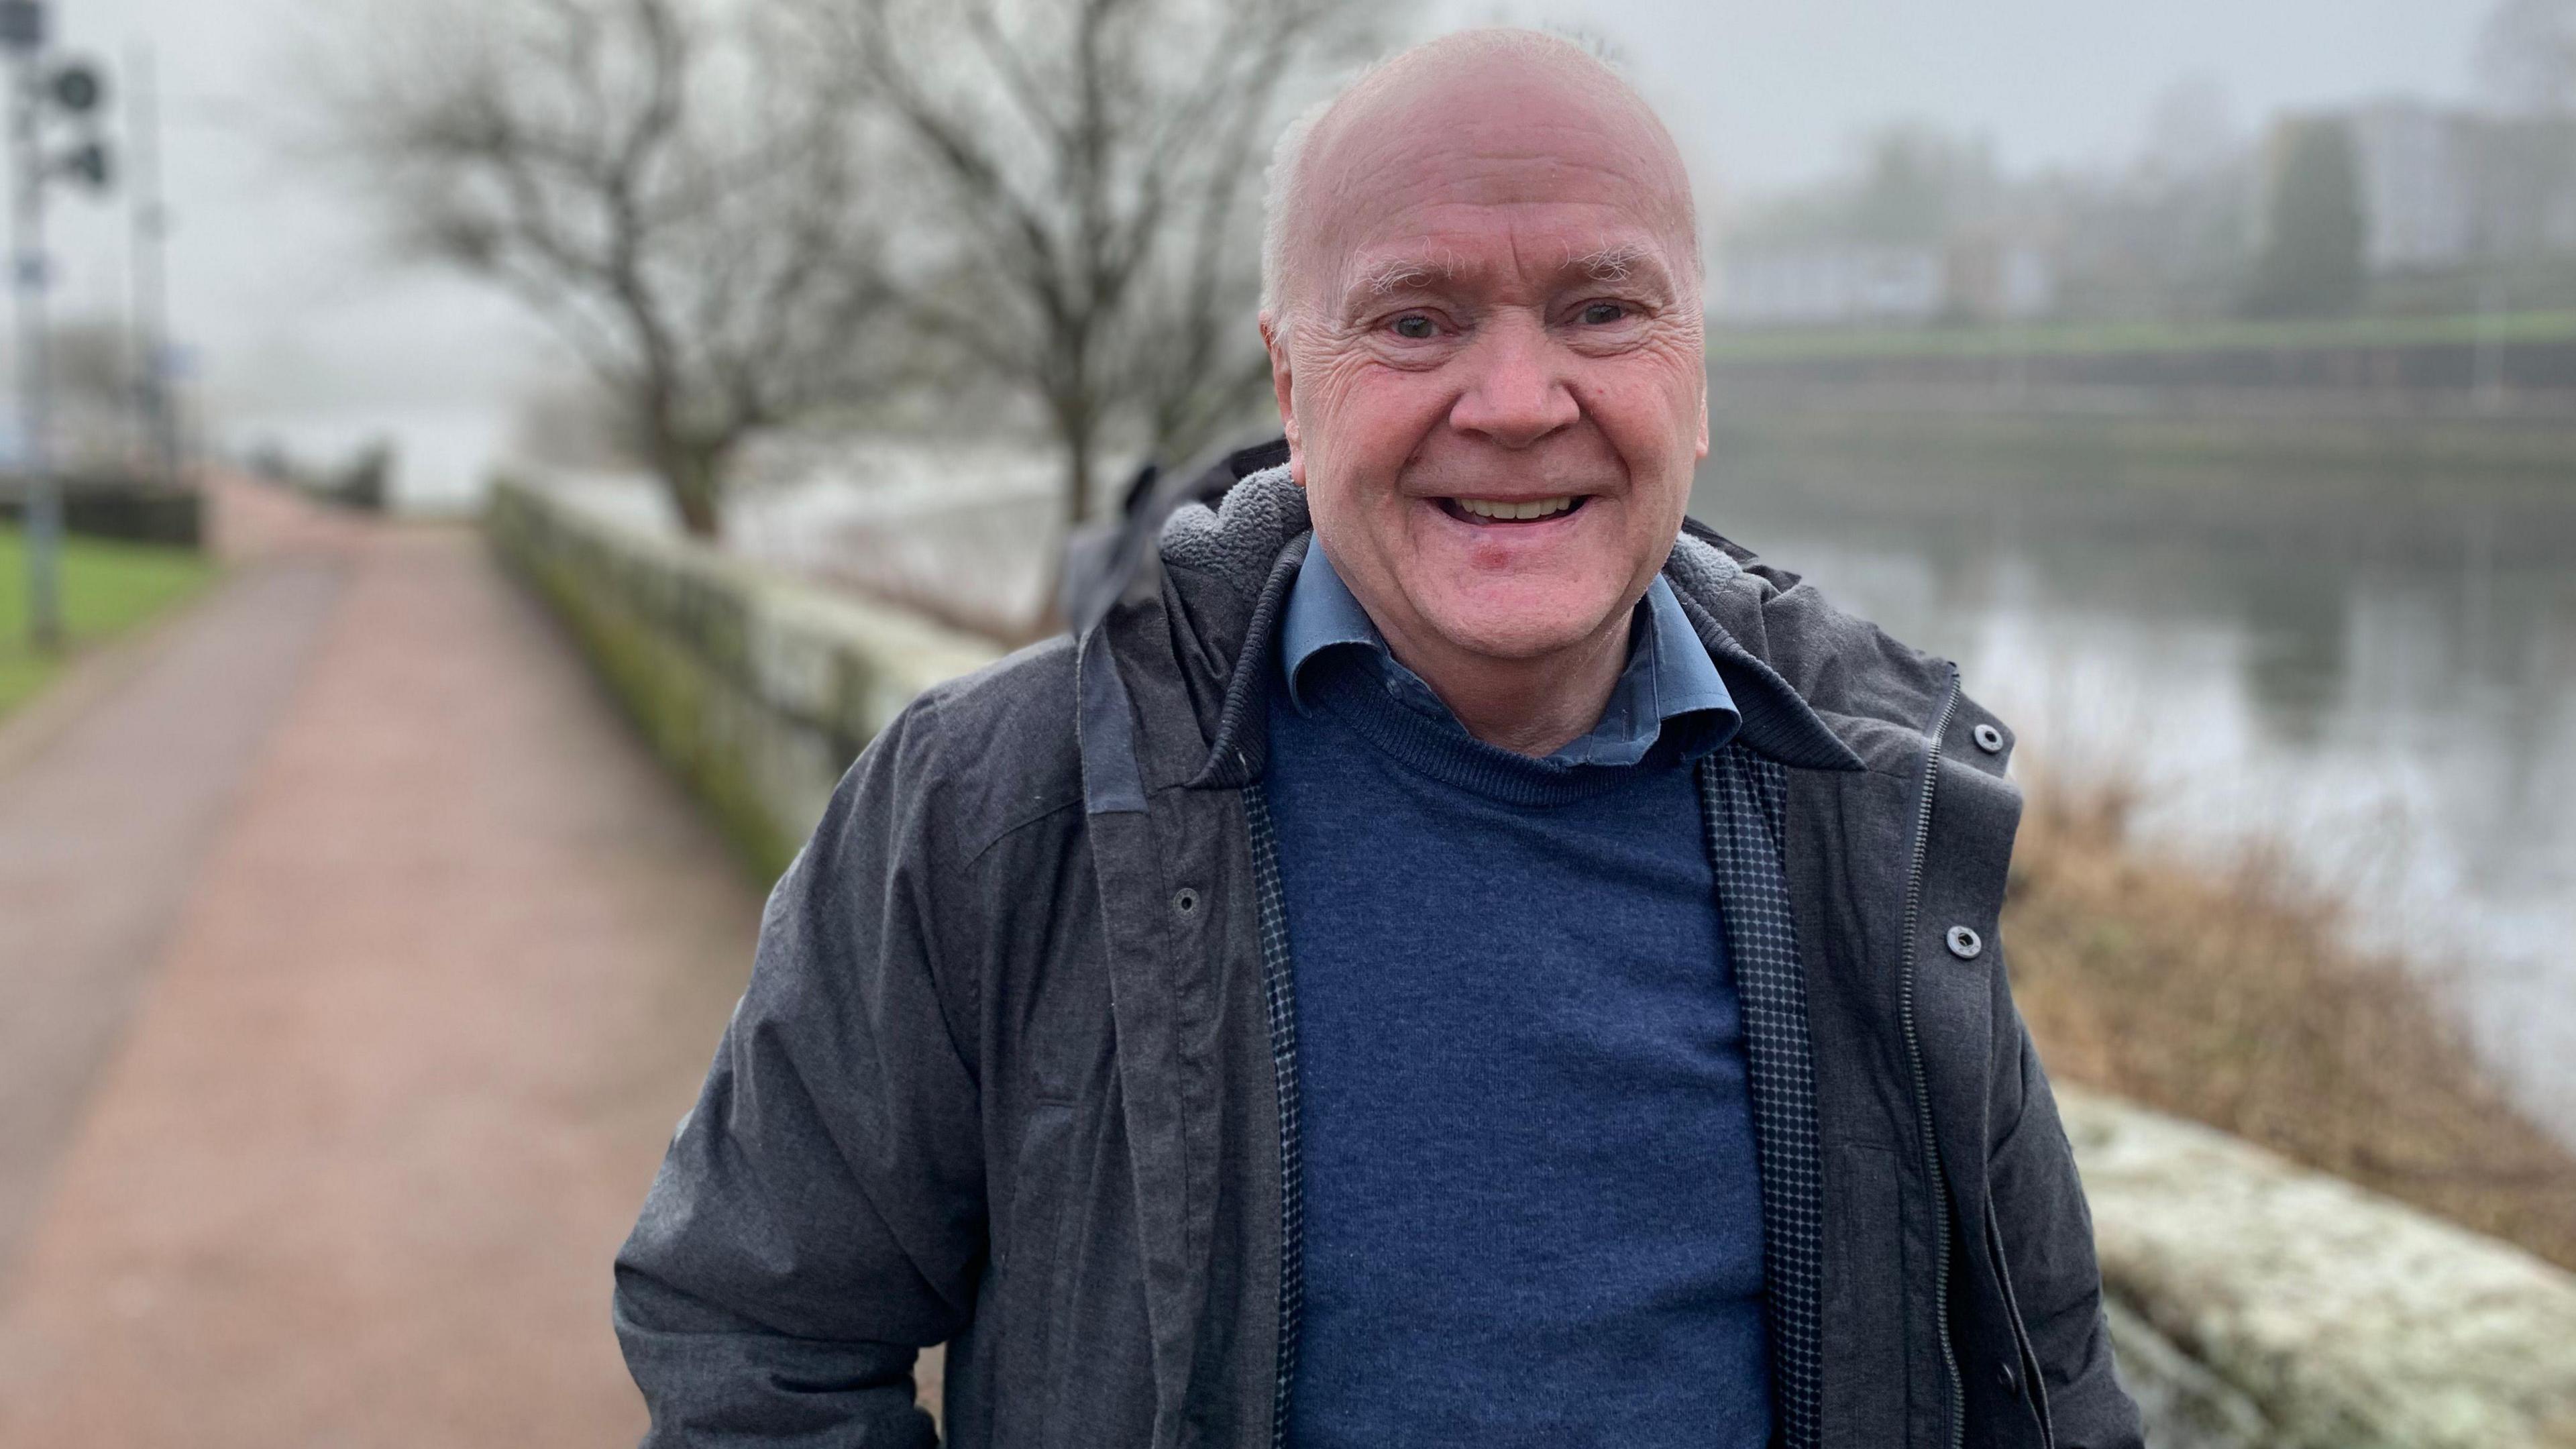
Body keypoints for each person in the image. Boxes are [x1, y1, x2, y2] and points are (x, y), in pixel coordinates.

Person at [614, 28, 2143, 1449]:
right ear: (1293, 383)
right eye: (1417, 321)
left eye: (1603, 312)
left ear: (1695, 379)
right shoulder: (997, 803)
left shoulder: (1867, 809)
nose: (1520, 401)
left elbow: (2053, 1381)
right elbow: (758, 1335)